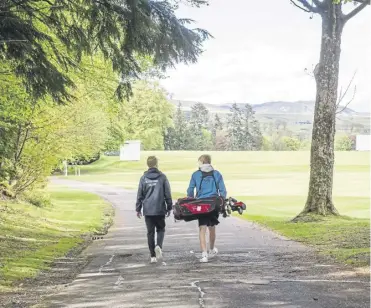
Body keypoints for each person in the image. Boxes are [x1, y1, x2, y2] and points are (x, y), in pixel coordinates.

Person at [187, 154, 227, 263]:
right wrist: (222, 200)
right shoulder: (216, 174)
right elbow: (222, 190)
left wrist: (191, 200)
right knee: (212, 227)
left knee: (202, 228)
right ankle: (211, 249)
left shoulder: (196, 174)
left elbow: (190, 190)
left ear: (201, 162)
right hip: (213, 204)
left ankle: (204, 255)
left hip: (201, 204)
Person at [136, 156, 173, 263]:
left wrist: (138, 208)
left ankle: (152, 256)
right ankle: (159, 246)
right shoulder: (162, 177)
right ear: (156, 164)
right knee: (161, 229)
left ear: (148, 164)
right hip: (160, 208)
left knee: (150, 232)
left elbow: (140, 195)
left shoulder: (143, 178)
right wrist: (169, 206)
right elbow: (167, 193)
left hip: (148, 210)